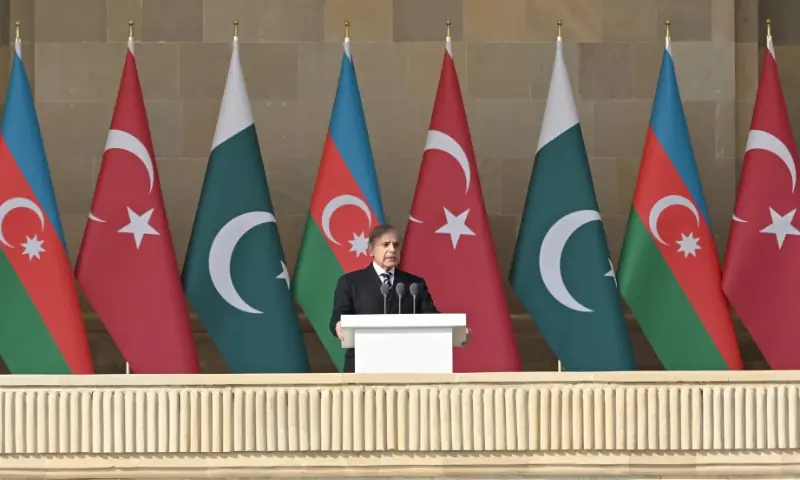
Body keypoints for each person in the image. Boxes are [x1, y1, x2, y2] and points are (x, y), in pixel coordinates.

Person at [330, 224, 439, 373]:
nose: (392, 250)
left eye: (396, 245)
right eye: (385, 244)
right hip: (363, 363)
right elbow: (338, 317)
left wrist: (455, 328)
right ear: (371, 250)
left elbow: (432, 318)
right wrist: (339, 325)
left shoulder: (414, 284)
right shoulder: (351, 282)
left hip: (406, 365)